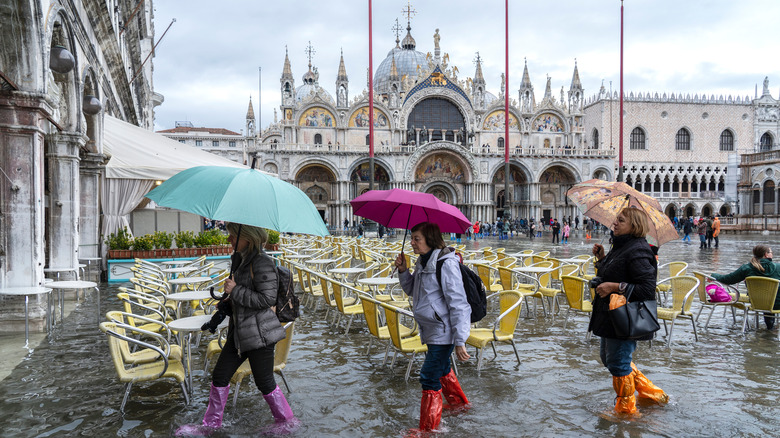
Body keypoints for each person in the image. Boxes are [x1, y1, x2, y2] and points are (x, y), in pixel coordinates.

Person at [176, 223, 298, 436]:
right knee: (220, 376)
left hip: (260, 334)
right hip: (239, 332)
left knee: (265, 382)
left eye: (233, 235)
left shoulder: (262, 263)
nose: (229, 239)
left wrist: (236, 290)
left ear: (248, 238)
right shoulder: (241, 261)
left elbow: (267, 299)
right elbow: (244, 297)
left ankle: (287, 422)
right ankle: (210, 425)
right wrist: (228, 300)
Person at [589, 208, 667, 415]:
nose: (615, 223)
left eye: (620, 220)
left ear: (635, 225)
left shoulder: (639, 250)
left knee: (618, 362)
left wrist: (614, 287)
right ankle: (652, 393)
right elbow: (614, 272)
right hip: (611, 316)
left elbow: (647, 289)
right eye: (616, 219)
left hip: (624, 317)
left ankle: (626, 412)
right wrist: (602, 258)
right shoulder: (621, 247)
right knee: (610, 360)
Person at [394, 222, 471, 431]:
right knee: (442, 368)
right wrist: (403, 270)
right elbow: (413, 290)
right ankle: (459, 405)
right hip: (430, 328)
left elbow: (459, 303)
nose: (412, 243)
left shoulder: (446, 264)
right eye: (411, 238)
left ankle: (428, 430)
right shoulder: (423, 261)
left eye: (416, 239)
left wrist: (460, 339)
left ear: (430, 239)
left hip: (443, 330)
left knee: (428, 376)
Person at [711, 244, 780, 329]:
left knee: (765, 299)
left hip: (756, 302)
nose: (772, 254)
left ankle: (769, 329)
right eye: (771, 252)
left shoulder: (746, 268)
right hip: (777, 303)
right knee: (772, 298)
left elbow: (728, 279)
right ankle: (770, 331)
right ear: (766, 254)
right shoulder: (778, 267)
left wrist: (713, 275)